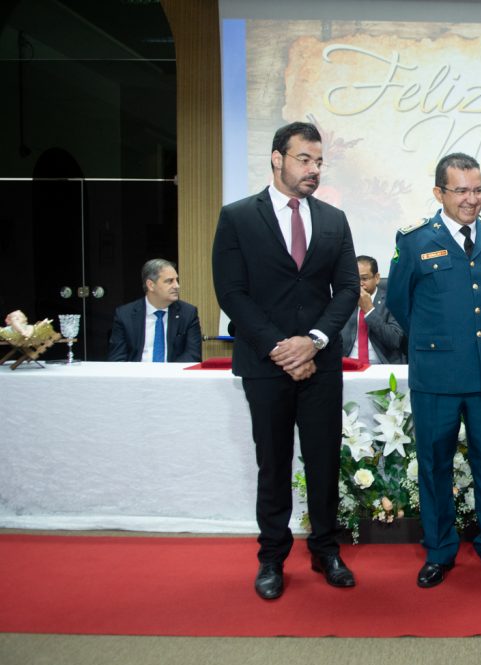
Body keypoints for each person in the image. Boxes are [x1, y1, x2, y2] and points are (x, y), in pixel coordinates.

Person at [212, 121, 360, 600]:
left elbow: (349, 291)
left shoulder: (334, 220)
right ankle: (272, 558)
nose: (313, 169)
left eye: (319, 161)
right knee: (272, 464)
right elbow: (231, 292)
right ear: (277, 158)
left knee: (323, 461)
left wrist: (313, 340)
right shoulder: (237, 217)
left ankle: (325, 549)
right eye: (304, 159)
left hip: (320, 363)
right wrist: (282, 347)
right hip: (266, 362)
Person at [386, 152, 481, 589]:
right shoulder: (413, 240)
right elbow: (401, 306)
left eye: (478, 189)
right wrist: (438, 340)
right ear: (439, 192)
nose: (472, 199)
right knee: (434, 466)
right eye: (461, 190)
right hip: (436, 377)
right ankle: (440, 551)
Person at [107, 258, 202, 363]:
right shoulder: (125, 315)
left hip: (173, 376)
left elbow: (193, 356)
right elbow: (117, 359)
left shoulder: (188, 313)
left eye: (176, 280)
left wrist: (166, 375)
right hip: (137, 376)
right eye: (170, 281)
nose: (177, 286)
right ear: (151, 285)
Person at [340, 255, 406, 364]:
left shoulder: (392, 301)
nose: (360, 284)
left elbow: (395, 340)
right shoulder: (344, 302)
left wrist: (369, 310)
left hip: (381, 366)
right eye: (355, 278)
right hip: (349, 365)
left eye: (364, 279)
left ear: (377, 278)